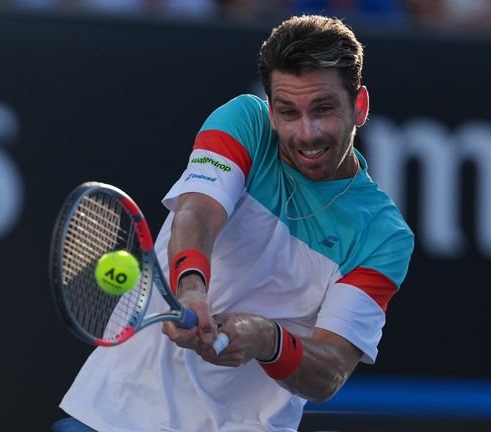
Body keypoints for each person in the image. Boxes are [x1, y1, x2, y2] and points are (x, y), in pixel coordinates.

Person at [54, 15, 414, 432]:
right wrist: (191, 287)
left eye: (323, 109)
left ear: (360, 107)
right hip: (118, 410)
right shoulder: (243, 120)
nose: (307, 132)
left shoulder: (383, 235)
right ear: (271, 110)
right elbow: (197, 211)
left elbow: (329, 371)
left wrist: (267, 340)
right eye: (288, 112)